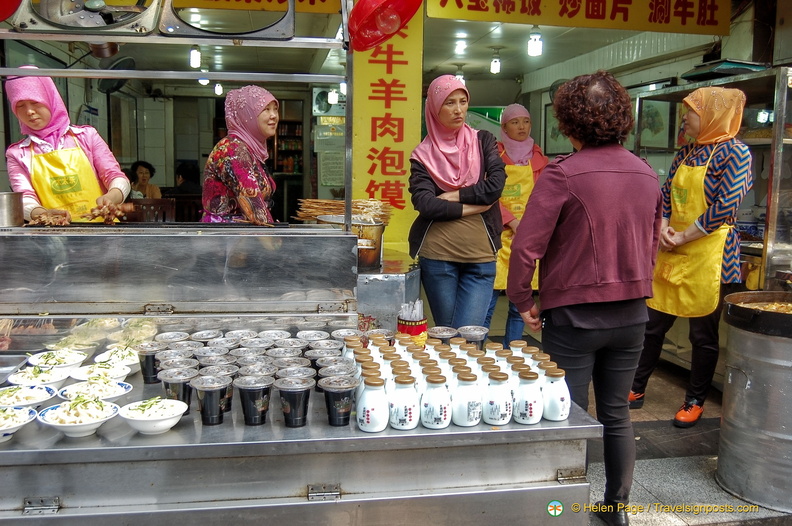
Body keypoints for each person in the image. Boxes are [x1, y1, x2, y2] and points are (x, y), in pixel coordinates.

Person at [507, 71, 662, 526]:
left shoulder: (563, 174)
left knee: (567, 416)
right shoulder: (647, 173)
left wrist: (521, 300)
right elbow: (651, 241)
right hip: (633, 312)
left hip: (574, 317)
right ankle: (616, 510)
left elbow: (527, 246)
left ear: (569, 122)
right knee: (616, 413)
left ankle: (563, 513)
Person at [630, 87, 752, 428]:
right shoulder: (686, 152)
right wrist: (664, 228)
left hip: (712, 255)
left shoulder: (737, 153)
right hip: (673, 248)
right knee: (653, 325)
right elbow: (666, 193)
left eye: (692, 111)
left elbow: (726, 205)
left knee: (703, 333)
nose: (686, 117)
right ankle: (636, 388)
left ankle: (695, 400)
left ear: (713, 116)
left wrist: (684, 235)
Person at [408, 74, 506, 329]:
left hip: (481, 259)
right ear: (434, 107)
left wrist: (454, 195)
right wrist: (475, 205)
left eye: (463, 101)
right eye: (449, 103)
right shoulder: (422, 156)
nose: (458, 109)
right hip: (438, 257)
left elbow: (495, 187)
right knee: (447, 336)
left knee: (468, 339)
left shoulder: (483, 141)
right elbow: (426, 204)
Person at [4, 67, 130, 223]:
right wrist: (42, 214)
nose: (29, 111)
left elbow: (115, 176)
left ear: (50, 99)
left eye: (35, 102)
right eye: (20, 105)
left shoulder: (87, 136)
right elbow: (25, 197)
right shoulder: (17, 153)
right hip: (52, 238)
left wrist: (112, 197)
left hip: (102, 233)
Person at [483, 103, 548, 344]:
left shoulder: (540, 158)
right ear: (504, 127)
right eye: (515, 122)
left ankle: (514, 354)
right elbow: (487, 194)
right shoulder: (493, 155)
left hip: (528, 237)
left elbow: (545, 196)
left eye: (526, 121)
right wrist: (511, 221)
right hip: (497, 235)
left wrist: (529, 225)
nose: (521, 126)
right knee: (488, 301)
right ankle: (477, 353)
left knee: (520, 303)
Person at [201, 85, 279, 225]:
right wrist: (275, 244)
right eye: (266, 109)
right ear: (247, 115)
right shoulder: (233, 150)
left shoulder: (249, 149)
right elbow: (254, 207)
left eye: (275, 109)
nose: (273, 115)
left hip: (241, 238)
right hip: (225, 239)